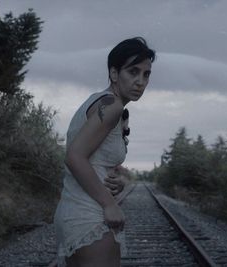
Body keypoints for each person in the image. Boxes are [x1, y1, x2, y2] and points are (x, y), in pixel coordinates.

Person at [53, 37, 155, 267]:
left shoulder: (99, 101)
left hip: (75, 209)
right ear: (114, 73)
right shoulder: (112, 107)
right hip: (90, 215)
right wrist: (109, 203)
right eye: (133, 72)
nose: (140, 81)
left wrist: (118, 178)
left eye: (146, 74)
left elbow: (94, 158)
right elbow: (74, 156)